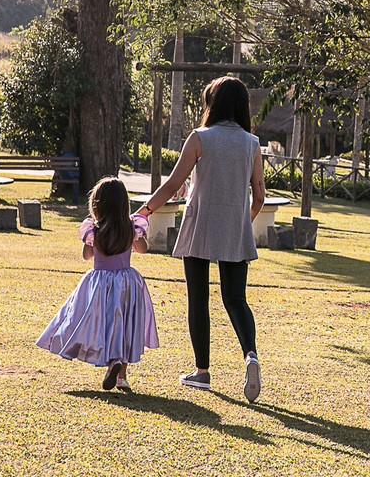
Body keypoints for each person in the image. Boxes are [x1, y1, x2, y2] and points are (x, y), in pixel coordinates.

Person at [139, 76, 266, 403]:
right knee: (236, 298)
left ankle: (202, 372)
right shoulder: (252, 144)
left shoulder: (199, 138)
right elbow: (260, 197)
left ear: (213, 103)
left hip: (199, 225)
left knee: (199, 298)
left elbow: (171, 186)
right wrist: (241, 223)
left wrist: (144, 211)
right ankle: (250, 355)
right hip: (234, 228)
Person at [37, 177, 159, 390]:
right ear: (124, 203)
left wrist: (91, 240)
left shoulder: (94, 229)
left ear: (97, 203)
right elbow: (143, 250)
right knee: (125, 325)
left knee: (102, 323)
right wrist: (133, 233)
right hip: (127, 283)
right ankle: (121, 374)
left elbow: (87, 256)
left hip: (100, 283)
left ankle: (110, 359)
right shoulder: (131, 227)